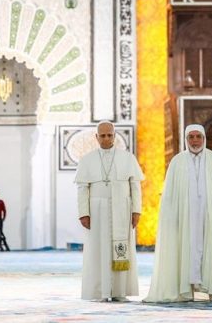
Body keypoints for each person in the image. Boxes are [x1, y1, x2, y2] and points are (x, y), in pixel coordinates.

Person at [144, 124, 212, 303]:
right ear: (186, 139)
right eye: (191, 137)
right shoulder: (177, 161)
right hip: (185, 218)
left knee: (210, 248)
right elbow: (169, 195)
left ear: (204, 139)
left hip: (210, 217)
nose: (195, 140)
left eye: (198, 136)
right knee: (186, 249)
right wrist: (170, 218)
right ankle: (186, 289)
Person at [75, 121, 144, 301]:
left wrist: (136, 211)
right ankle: (100, 291)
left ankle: (120, 292)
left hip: (122, 208)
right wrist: (84, 213)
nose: (106, 138)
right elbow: (82, 188)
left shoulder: (128, 158)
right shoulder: (87, 160)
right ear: (96, 137)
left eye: (110, 135)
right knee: (98, 250)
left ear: (115, 135)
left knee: (121, 248)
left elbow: (135, 186)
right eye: (102, 135)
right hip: (97, 211)